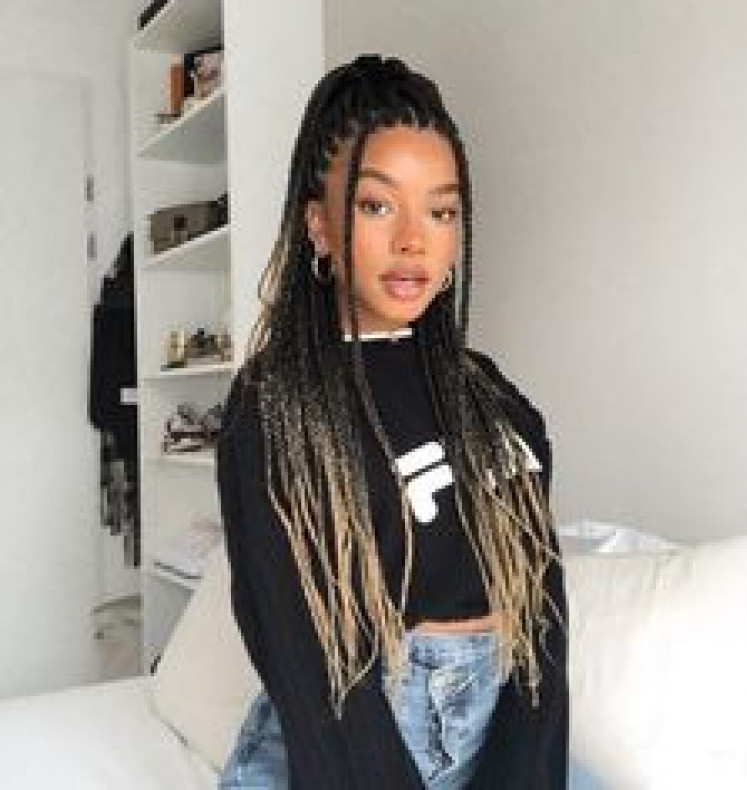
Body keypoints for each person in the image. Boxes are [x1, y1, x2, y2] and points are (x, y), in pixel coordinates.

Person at [215, 54, 570, 789]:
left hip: (484, 742)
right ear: (319, 225)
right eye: (378, 206)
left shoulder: (492, 397)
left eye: (441, 211)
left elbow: (543, 616)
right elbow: (304, 659)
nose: (415, 239)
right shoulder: (277, 404)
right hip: (342, 757)